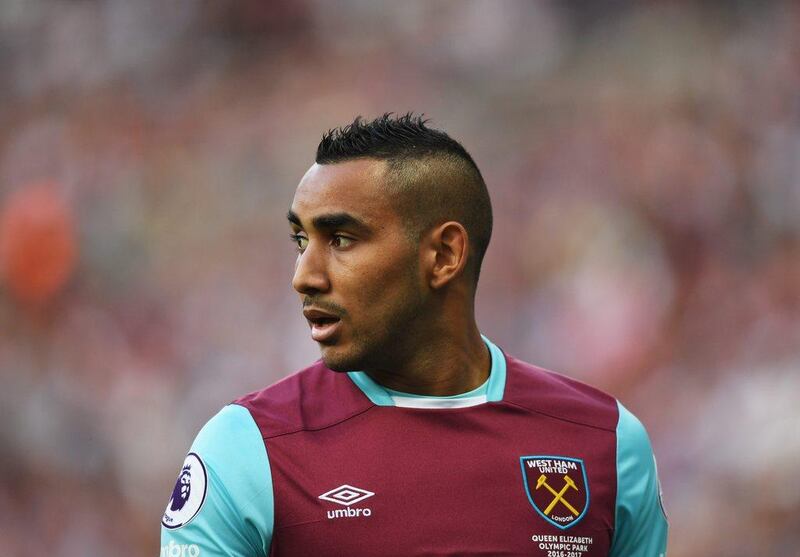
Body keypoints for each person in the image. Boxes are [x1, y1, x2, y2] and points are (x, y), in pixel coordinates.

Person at [160, 114, 668, 557]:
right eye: (301, 239)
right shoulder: (246, 449)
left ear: (444, 256)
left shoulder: (607, 441)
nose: (304, 275)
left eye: (340, 239)